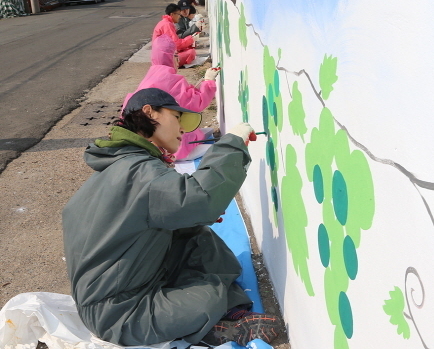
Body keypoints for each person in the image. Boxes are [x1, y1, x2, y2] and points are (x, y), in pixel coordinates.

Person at [63, 87, 281, 347]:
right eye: (177, 117)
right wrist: (231, 144)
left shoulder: (123, 165)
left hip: (131, 283)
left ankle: (226, 312)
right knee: (205, 301)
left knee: (197, 237)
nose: (183, 129)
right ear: (149, 112)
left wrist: (190, 217)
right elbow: (199, 199)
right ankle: (212, 324)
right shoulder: (137, 172)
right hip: (119, 313)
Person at [121, 34, 219, 160]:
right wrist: (208, 82)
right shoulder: (169, 78)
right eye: (176, 56)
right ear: (169, 57)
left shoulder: (153, 74)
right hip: (167, 147)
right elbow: (197, 103)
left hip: (144, 141)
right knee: (214, 148)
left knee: (198, 132)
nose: (178, 61)